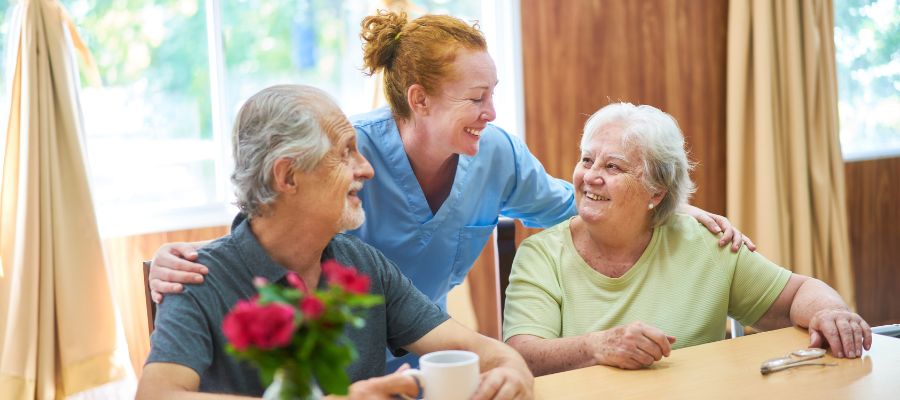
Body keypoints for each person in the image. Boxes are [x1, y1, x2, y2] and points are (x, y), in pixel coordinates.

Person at [146, 10, 752, 370]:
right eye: (477, 97)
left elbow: (585, 201)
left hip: (433, 354)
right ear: (420, 100)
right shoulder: (349, 155)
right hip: (336, 358)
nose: (493, 112)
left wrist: (675, 207)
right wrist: (185, 261)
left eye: (493, 94)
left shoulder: (495, 154)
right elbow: (271, 224)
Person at [136, 85, 533, 399]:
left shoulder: (363, 265)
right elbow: (156, 395)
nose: (367, 169)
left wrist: (513, 369)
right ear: (288, 176)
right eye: (345, 154)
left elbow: (477, 349)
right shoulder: (196, 277)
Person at [502, 103, 872, 376]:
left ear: (656, 192)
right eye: (586, 160)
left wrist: (830, 311)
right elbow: (524, 355)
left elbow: (797, 294)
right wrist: (597, 346)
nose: (590, 176)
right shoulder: (541, 255)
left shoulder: (705, 244)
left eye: (612, 166)